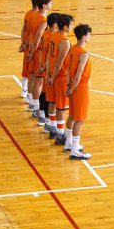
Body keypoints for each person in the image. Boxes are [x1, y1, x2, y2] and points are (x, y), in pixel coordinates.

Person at [65, 23, 92, 159]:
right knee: (79, 119)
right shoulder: (83, 54)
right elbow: (78, 75)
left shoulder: (73, 49)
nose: (90, 36)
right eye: (88, 34)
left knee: (72, 116)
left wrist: (68, 86)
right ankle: (75, 150)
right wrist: (73, 87)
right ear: (83, 37)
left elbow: (69, 70)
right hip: (80, 87)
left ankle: (68, 143)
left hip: (73, 86)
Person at [47, 13, 74, 145]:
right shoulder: (65, 42)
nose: (72, 26)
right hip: (60, 77)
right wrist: (52, 77)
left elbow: (48, 56)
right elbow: (59, 63)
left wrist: (48, 73)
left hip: (51, 73)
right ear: (65, 26)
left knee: (52, 102)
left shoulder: (53, 35)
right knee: (61, 108)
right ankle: (60, 135)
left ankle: (52, 128)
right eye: (71, 24)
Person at [26, 0, 53, 122]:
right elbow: (37, 39)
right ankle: (37, 110)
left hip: (32, 50)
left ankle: (32, 103)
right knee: (39, 82)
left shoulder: (34, 15)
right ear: (44, 5)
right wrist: (32, 53)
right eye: (50, 2)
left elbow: (30, 34)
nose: (51, 4)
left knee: (32, 78)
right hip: (38, 53)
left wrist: (28, 50)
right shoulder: (43, 20)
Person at [38, 13, 59, 130]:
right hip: (48, 70)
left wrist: (41, 65)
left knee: (44, 94)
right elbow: (47, 56)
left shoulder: (46, 34)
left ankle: (43, 118)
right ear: (55, 24)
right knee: (48, 98)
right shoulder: (51, 38)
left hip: (45, 67)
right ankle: (47, 122)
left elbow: (42, 53)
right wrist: (44, 67)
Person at [19, 0, 40, 101]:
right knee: (32, 72)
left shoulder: (28, 13)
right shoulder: (36, 16)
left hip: (27, 45)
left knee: (26, 69)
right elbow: (32, 33)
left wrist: (23, 42)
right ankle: (30, 96)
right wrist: (26, 43)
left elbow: (23, 29)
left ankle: (24, 90)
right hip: (32, 46)